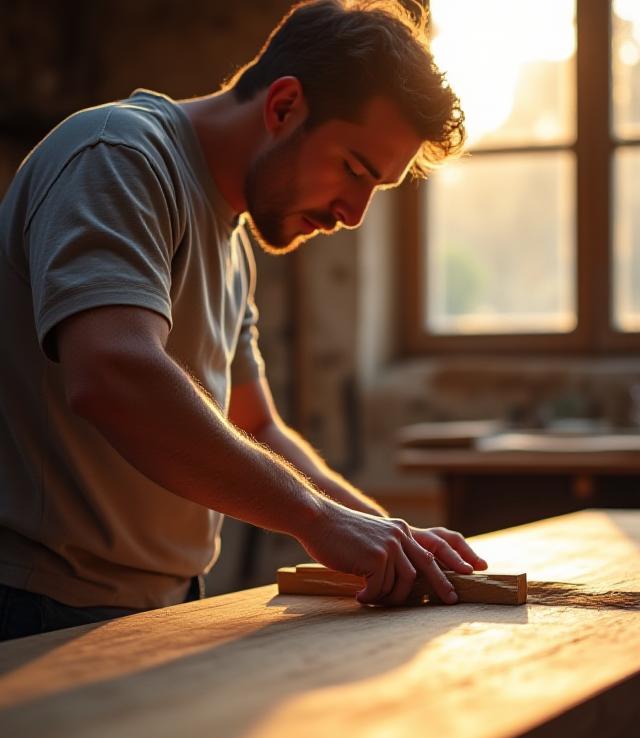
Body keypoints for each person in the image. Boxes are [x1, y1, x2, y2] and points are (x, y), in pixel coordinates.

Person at [0, 0, 487, 641]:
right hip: (37, 607)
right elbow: (113, 372)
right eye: (354, 170)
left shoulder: (232, 244)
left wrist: (393, 538)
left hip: (162, 605)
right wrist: (315, 518)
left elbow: (256, 426)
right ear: (283, 106)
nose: (354, 214)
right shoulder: (117, 156)